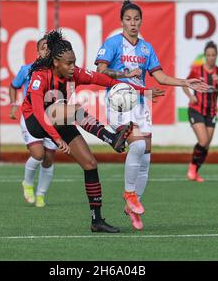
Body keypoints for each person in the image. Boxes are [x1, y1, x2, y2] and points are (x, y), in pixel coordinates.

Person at [22, 30, 164, 233]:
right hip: (36, 122)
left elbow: (108, 81)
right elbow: (37, 110)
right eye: (68, 63)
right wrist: (55, 138)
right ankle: (111, 137)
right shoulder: (40, 76)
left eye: (74, 62)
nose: (73, 67)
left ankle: (96, 220)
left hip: (61, 118)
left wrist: (143, 91)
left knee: (90, 164)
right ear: (55, 62)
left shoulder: (76, 74)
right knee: (74, 109)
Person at [95, 0, 208, 230]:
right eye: (128, 19)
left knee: (145, 159)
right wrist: (125, 72)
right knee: (136, 147)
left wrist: (186, 82)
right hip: (119, 101)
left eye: (136, 19)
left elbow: (161, 76)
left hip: (141, 102)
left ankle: (131, 206)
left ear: (141, 21)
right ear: (122, 22)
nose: (133, 23)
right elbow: (100, 71)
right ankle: (129, 193)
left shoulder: (146, 48)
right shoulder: (113, 43)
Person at [9, 36, 55, 208]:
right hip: (31, 117)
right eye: (43, 47)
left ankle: (41, 194)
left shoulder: (57, 71)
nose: (47, 50)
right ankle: (27, 183)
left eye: (50, 47)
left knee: (49, 158)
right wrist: (14, 105)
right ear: (37, 52)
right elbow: (14, 86)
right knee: (38, 154)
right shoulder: (27, 69)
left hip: (50, 118)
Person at [182, 41, 218, 182]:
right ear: (205, 56)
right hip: (196, 109)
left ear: (216, 56)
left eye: (213, 55)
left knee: (207, 145)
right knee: (203, 141)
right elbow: (185, 83)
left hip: (211, 112)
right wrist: (190, 96)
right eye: (208, 55)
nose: (211, 57)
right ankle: (192, 167)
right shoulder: (197, 70)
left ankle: (195, 170)